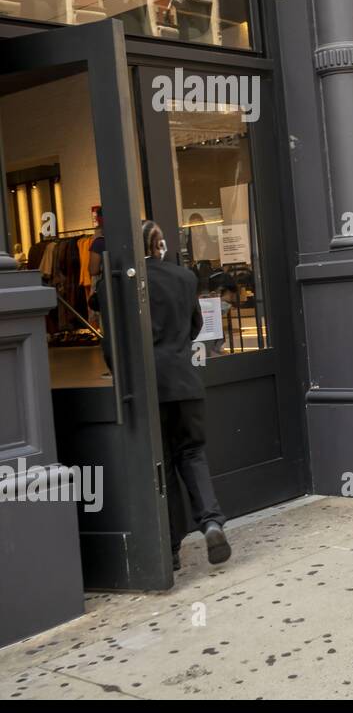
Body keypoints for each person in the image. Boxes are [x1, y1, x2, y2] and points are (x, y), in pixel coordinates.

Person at [140, 220, 229, 573]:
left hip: (151, 386)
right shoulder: (184, 277)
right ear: (160, 245)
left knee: (162, 463)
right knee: (191, 454)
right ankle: (210, 523)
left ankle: (172, 547)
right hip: (185, 381)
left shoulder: (130, 283)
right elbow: (194, 326)